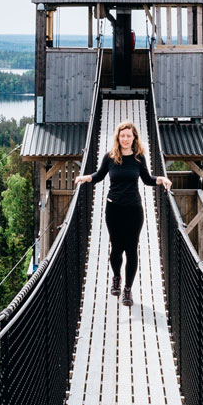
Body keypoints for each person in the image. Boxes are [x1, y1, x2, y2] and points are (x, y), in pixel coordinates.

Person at [75, 120, 171, 306]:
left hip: (134, 210)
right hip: (114, 209)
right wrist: (84, 178)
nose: (125, 139)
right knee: (116, 249)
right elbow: (99, 175)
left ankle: (127, 289)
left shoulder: (139, 158)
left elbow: (147, 180)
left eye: (129, 135)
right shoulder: (110, 157)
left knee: (131, 250)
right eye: (122, 136)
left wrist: (162, 179)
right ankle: (116, 277)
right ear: (118, 138)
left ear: (134, 137)